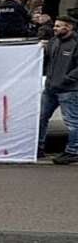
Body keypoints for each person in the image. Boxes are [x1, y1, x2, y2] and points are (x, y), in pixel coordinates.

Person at [40, 16, 78, 163]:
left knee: (72, 122)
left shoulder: (75, 43)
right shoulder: (53, 42)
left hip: (69, 90)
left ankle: (73, 151)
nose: (54, 28)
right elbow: (46, 60)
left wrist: (68, 79)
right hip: (50, 88)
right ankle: (39, 147)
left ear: (68, 27)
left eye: (58, 26)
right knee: (42, 117)